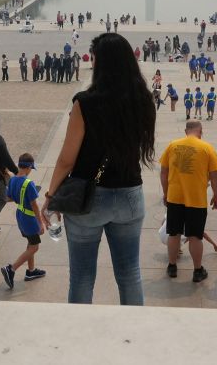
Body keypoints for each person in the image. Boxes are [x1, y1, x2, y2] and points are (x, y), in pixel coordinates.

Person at [40, 33, 156, 305]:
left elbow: (67, 160)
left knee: (81, 277)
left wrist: (50, 197)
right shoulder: (143, 100)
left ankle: (80, 336)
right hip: (129, 194)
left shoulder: (85, 102)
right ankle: (132, 333)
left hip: (88, 198)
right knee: (130, 274)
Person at [161, 120, 217, 283]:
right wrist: (216, 196)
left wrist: (166, 193)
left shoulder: (172, 145)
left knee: (173, 233)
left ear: (185, 131)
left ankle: (172, 266)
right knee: (195, 236)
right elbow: (215, 177)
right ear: (200, 131)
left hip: (175, 197)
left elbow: (164, 173)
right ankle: (197, 270)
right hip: (196, 200)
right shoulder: (207, 148)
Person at [1, 154, 46, 289]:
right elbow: (35, 205)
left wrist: (19, 196)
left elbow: (8, 198)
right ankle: (11, 269)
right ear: (28, 167)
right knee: (34, 247)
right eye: (31, 168)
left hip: (20, 215)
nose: (31, 171)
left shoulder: (13, 180)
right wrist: (40, 223)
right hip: (29, 219)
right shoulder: (28, 183)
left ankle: (31, 272)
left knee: (30, 243)